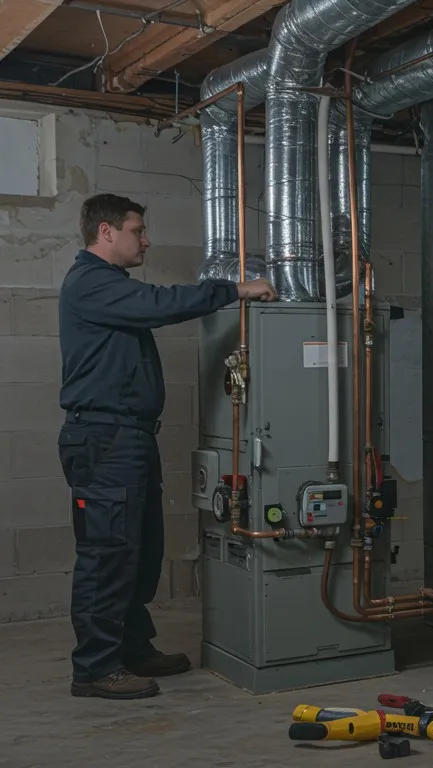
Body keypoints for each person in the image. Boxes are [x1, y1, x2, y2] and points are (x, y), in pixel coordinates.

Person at [58, 193, 277, 700]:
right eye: (137, 230)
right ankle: (93, 667)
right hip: (105, 438)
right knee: (108, 553)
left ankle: (130, 648)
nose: (146, 239)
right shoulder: (91, 282)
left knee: (139, 550)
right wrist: (235, 290)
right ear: (106, 232)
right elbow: (160, 304)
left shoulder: (109, 286)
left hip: (127, 437)